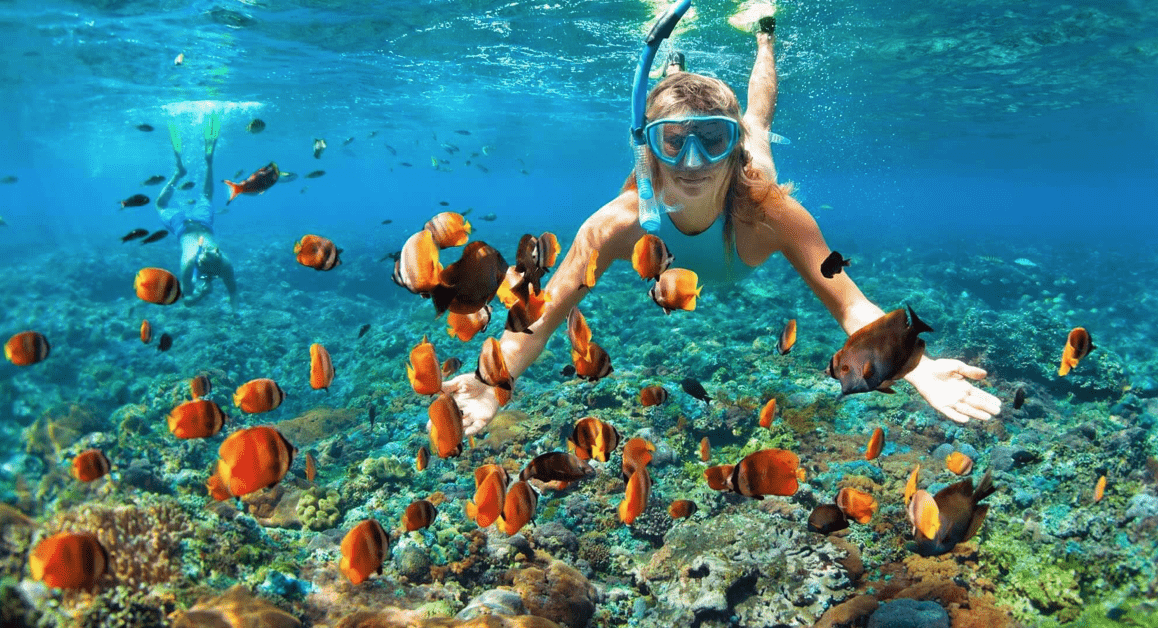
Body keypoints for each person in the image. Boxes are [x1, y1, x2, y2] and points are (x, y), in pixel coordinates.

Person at [440, 15, 1002, 435]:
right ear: (649, 152)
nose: (692, 163)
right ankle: (675, 73)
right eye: (673, 142)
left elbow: (851, 304)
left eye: (713, 140)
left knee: (757, 119)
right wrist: (495, 382)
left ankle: (763, 32)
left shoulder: (772, 213)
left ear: (733, 153)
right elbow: (545, 310)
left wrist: (914, 364)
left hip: (751, 176)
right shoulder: (618, 224)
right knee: (679, 100)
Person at [155, 113, 238, 309]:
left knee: (204, 197)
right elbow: (190, 301)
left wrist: (200, 294)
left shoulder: (199, 263)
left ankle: (194, 168)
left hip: (201, 224)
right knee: (161, 205)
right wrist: (200, 294)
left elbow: (188, 300)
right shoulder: (219, 264)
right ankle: (186, 170)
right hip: (184, 227)